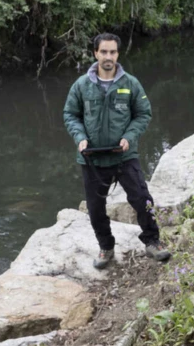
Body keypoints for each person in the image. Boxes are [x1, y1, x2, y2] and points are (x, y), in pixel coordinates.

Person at [63, 33, 171, 269]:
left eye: (112, 52)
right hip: (92, 158)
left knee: (142, 199)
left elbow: (143, 114)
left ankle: (152, 242)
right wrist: (80, 138)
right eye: (103, 52)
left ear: (118, 54)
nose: (108, 57)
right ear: (96, 53)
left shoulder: (130, 84)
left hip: (124, 155)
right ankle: (106, 247)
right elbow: (70, 114)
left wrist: (129, 137)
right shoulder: (81, 85)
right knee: (95, 208)